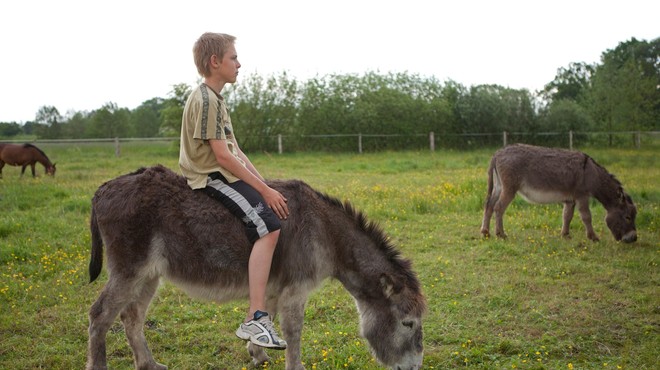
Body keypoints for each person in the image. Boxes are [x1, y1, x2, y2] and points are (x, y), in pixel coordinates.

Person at [179, 32, 289, 350]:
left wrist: (265, 185)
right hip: (210, 177)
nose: (239, 64)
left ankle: (255, 315)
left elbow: (236, 150)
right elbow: (223, 157)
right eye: (233, 58)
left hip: (224, 171)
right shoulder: (205, 100)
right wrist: (264, 193)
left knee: (268, 209)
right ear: (215, 62)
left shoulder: (216, 99)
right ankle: (255, 317)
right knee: (268, 228)